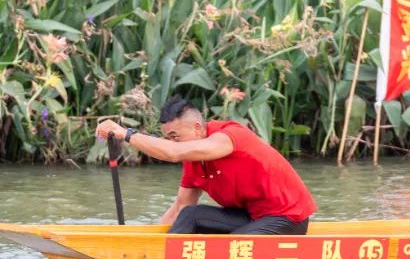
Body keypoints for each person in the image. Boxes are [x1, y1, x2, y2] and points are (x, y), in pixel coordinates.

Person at [95, 96, 317, 234]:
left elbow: (172, 153)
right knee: (191, 215)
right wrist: (147, 240)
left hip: (287, 218)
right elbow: (180, 208)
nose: (172, 142)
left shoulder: (228, 137)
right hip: (251, 216)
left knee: (236, 246)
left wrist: (126, 133)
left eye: (175, 136)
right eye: (168, 137)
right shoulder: (193, 161)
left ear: (198, 128)